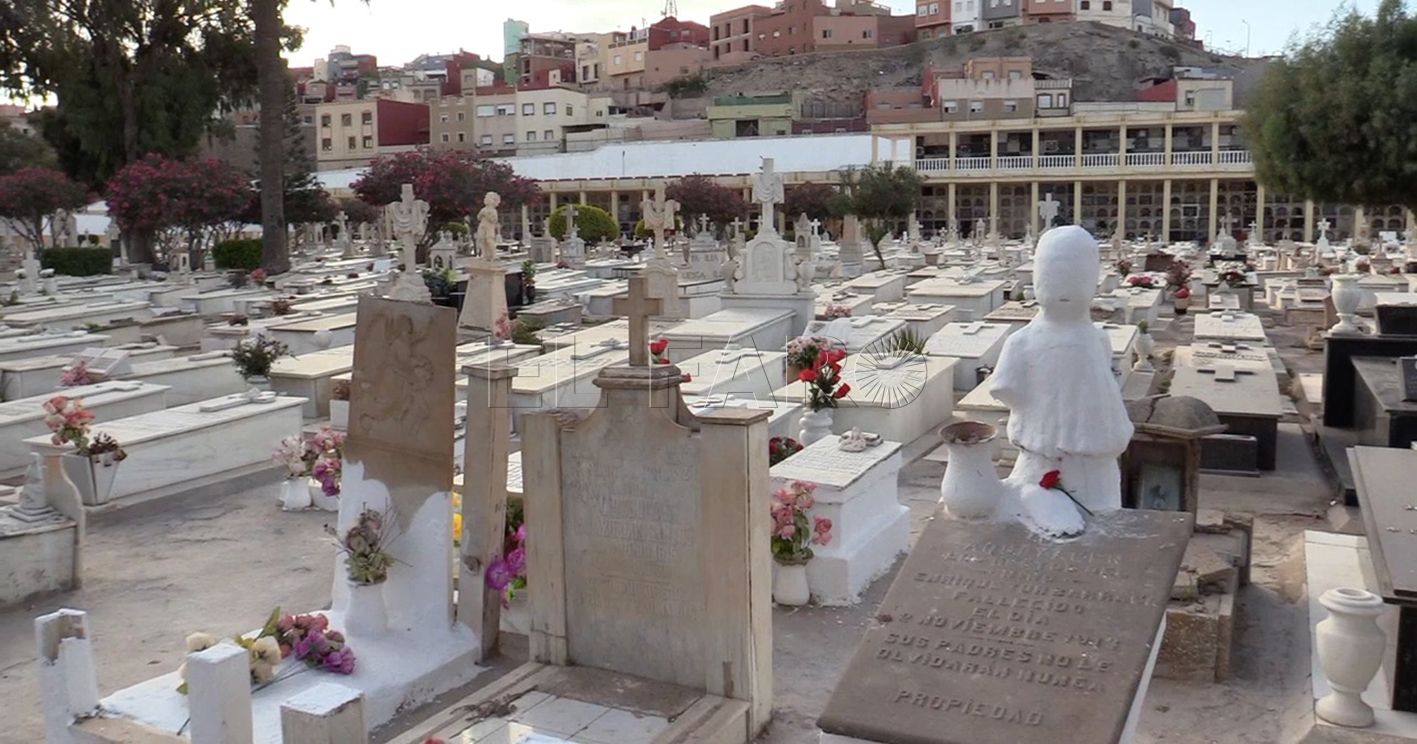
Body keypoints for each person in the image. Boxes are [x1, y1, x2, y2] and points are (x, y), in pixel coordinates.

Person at [989, 225, 1134, 536]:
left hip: (1098, 465)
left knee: (1104, 524)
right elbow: (1004, 388)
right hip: (1040, 460)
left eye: (1076, 274)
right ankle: (1035, 499)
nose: (1064, 286)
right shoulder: (1022, 343)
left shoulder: (1098, 340)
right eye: (1054, 273)